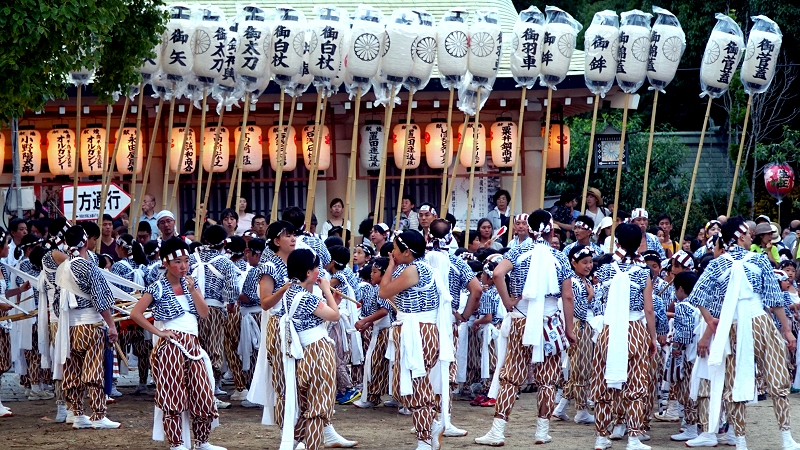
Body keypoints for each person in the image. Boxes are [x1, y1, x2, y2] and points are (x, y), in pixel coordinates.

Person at [689, 218, 800, 449]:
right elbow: (774, 299)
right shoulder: (759, 259)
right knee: (777, 381)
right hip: (759, 323)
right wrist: (787, 331)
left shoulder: (716, 264)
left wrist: (711, 321)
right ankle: (785, 438)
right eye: (749, 234)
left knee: (733, 384)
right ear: (740, 236)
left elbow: (697, 296)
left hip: (734, 326)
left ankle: (740, 440)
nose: (752, 237)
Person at [475, 210, 575, 446]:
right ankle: (542, 431)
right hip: (550, 322)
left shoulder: (519, 251)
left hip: (522, 318)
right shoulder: (559, 257)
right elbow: (568, 296)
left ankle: (498, 431)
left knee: (511, 377)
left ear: (529, 229)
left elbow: (497, 273)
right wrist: (569, 329)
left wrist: (508, 301)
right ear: (551, 230)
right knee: (548, 380)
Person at [130, 237, 225, 450]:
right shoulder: (157, 287)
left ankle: (203, 441)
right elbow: (136, 313)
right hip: (170, 346)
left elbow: (204, 313)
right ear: (165, 263)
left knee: (202, 391)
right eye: (177, 262)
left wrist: (193, 290)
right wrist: (159, 332)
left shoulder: (191, 283)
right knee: (172, 393)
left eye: (186, 261)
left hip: (193, 344)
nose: (183, 266)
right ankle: (177, 443)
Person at [590, 223, 658, 450]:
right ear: (639, 243)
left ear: (617, 242)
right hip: (635, 328)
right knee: (637, 384)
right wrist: (653, 337)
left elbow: (597, 300)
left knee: (602, 382)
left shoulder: (604, 270)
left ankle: (601, 436)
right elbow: (649, 309)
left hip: (608, 328)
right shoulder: (643, 273)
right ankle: (634, 438)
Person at [379, 230, 447, 450]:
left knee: (417, 385)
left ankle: (425, 438)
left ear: (407, 251)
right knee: (407, 386)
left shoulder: (413, 270)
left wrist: (389, 266)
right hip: (418, 330)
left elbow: (383, 291)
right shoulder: (423, 267)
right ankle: (432, 425)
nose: (393, 253)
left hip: (417, 331)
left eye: (396, 249)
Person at [277, 248, 345, 450]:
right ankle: (311, 446)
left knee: (308, 404)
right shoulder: (307, 297)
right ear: (308, 272)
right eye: (317, 269)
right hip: (318, 352)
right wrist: (326, 290)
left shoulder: (291, 292)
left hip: (305, 353)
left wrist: (330, 299)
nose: (320, 272)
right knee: (318, 408)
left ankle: (302, 443)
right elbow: (334, 315)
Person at [55, 225, 121, 429]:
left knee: (73, 370)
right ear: (85, 242)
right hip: (90, 325)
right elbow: (101, 300)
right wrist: (111, 326)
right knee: (93, 370)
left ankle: (77, 414)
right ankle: (99, 415)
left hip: (68, 327)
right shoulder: (87, 266)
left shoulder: (63, 267)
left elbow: (57, 302)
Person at [190, 225, 241, 409]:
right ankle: (210, 391)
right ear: (224, 242)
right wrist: (231, 305)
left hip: (192, 310)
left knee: (195, 350)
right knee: (213, 350)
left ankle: (196, 390)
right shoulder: (225, 262)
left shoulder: (190, 258)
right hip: (214, 309)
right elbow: (232, 289)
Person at [555, 245, 598, 425]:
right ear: (574, 263)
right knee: (582, 368)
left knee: (579, 369)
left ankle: (561, 407)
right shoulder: (574, 282)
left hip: (583, 325)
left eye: (590, 262)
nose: (588, 266)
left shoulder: (582, 281)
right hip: (579, 325)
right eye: (584, 262)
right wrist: (590, 296)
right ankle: (580, 410)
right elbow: (578, 310)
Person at [665, 271, 702, 443]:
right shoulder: (701, 304)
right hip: (700, 354)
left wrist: (676, 347)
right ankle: (700, 424)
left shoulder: (683, 306)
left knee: (687, 391)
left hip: (688, 355)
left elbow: (684, 334)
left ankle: (691, 427)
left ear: (680, 288)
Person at [353, 258, 394, 408]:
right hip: (381, 329)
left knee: (376, 364)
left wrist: (365, 321)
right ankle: (377, 395)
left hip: (385, 331)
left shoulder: (383, 289)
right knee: (382, 364)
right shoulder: (379, 288)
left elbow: (384, 311)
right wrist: (367, 323)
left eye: (375, 272)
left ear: (383, 274)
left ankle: (373, 396)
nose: (371, 274)